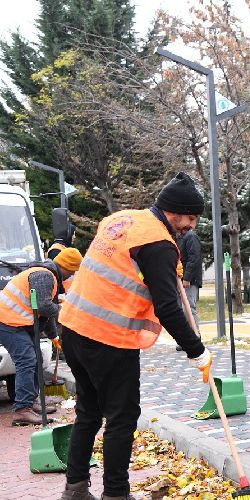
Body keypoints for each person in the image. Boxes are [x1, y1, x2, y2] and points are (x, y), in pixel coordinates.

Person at [58, 172, 212, 500]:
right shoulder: (158, 243)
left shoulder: (122, 220)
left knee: (89, 410)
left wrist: (170, 268)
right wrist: (196, 350)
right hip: (108, 337)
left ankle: (75, 489)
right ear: (175, 212)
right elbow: (169, 309)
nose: (191, 226)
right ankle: (116, 494)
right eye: (191, 218)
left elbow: (124, 268)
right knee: (122, 416)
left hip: (72, 326)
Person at [0, 248, 82, 425]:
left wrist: (54, 337)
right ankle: (22, 409)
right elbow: (45, 307)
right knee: (27, 360)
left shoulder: (48, 275)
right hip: (7, 322)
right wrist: (66, 311)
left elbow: (46, 312)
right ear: (67, 268)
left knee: (34, 358)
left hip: (16, 322)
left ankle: (30, 402)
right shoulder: (44, 276)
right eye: (73, 272)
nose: (72, 276)